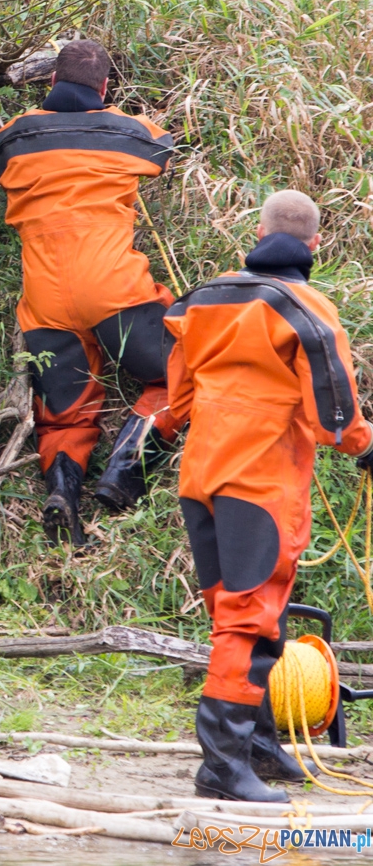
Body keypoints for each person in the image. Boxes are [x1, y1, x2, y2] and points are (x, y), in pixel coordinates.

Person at [165, 189, 373, 801]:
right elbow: (337, 422)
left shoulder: (200, 301)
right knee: (250, 621)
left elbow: (177, 402)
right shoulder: (308, 308)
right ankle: (222, 767)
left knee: (238, 615)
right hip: (260, 484)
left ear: (255, 233)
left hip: (201, 478)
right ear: (315, 245)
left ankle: (255, 746)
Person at [0, 39, 180, 545]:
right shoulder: (127, 131)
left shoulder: (13, 136)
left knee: (64, 414)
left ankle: (63, 500)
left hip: (45, 295)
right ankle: (124, 474)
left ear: (50, 81)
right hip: (113, 289)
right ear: (106, 87)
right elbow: (166, 148)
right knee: (186, 372)